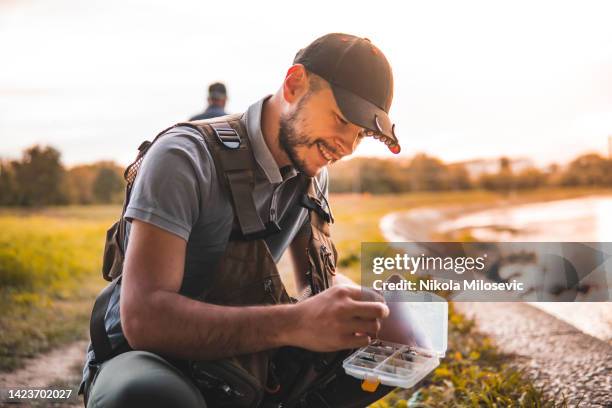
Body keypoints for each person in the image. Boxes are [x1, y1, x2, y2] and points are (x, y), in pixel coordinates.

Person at [80, 33, 402, 408]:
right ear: (295, 83)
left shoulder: (312, 173)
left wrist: (364, 308)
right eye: (341, 120)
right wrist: (294, 322)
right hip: (149, 357)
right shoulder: (183, 158)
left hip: (237, 358)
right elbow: (144, 321)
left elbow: (317, 285)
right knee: (149, 397)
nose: (347, 147)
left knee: (388, 356)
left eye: (361, 133)